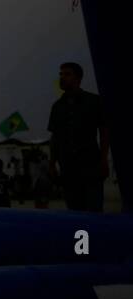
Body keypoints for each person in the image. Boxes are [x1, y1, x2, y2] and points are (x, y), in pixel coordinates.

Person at [47, 62, 109, 213]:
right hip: (68, 168)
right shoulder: (58, 106)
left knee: (94, 211)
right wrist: (52, 163)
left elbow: (104, 132)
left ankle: (91, 237)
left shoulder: (94, 101)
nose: (62, 78)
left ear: (78, 78)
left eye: (67, 74)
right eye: (61, 74)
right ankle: (80, 237)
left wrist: (103, 159)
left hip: (90, 165)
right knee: (75, 212)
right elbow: (55, 137)